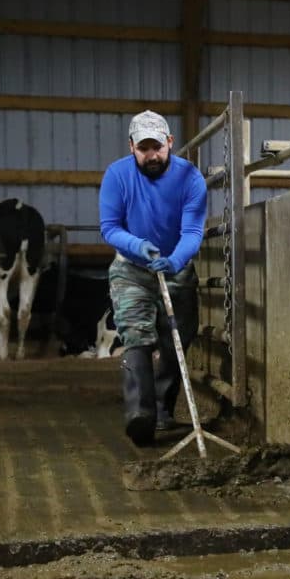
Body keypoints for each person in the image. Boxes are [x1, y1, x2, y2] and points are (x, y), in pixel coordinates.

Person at [99, 110, 207, 446]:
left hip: (176, 268)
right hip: (131, 269)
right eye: (144, 148)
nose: (152, 155)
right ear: (131, 147)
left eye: (157, 147)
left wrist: (175, 260)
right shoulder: (117, 175)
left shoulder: (190, 179)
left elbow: (192, 231)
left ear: (170, 142)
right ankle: (140, 414)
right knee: (136, 334)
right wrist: (137, 245)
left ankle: (162, 408)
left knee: (179, 335)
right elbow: (109, 227)